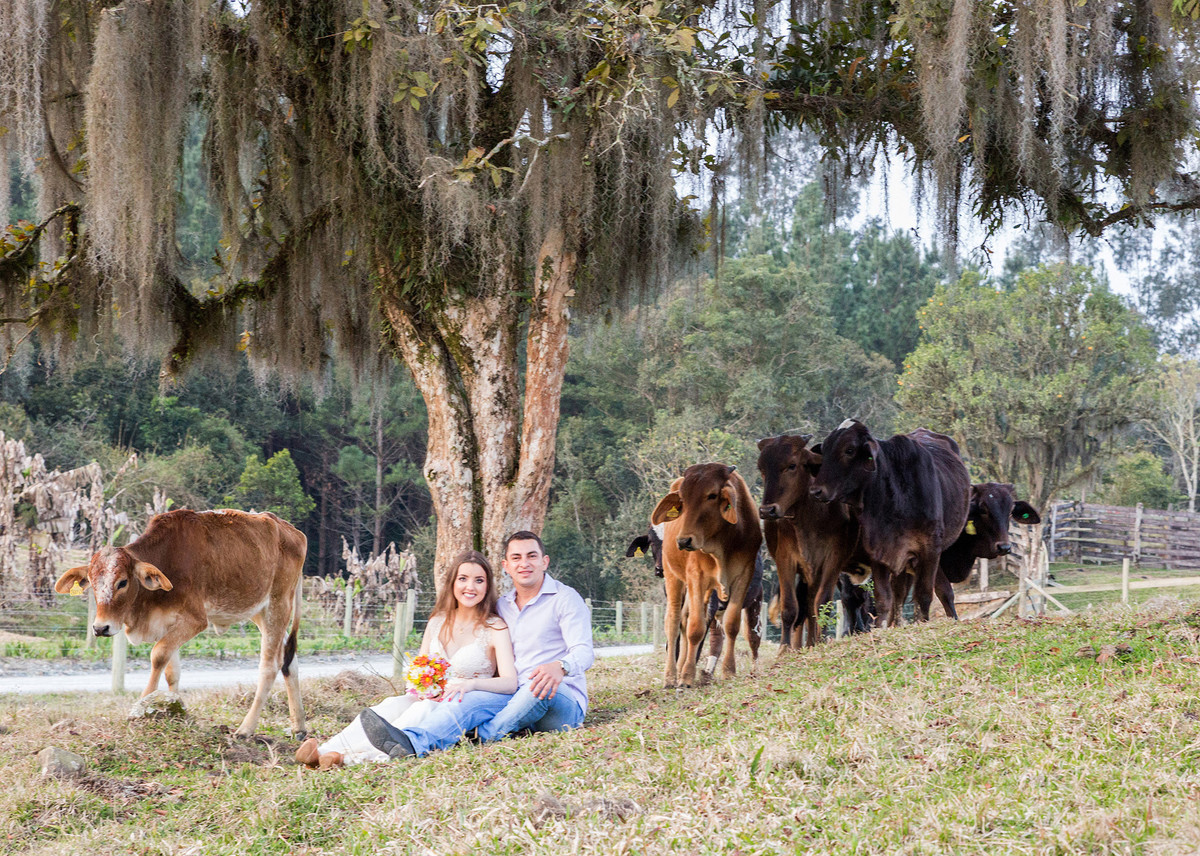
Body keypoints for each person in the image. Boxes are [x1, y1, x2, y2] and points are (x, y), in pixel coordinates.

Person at [359, 531, 594, 759]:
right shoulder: (503, 606)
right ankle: (411, 742)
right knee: (464, 699)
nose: (525, 563)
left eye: (532, 556)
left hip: (559, 699)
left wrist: (560, 666)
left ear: (544, 561)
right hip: (512, 695)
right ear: (506, 565)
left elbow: (584, 652)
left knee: (538, 685)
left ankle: (480, 735)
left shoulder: (565, 598)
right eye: (516, 557)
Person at [295, 550, 517, 768]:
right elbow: (419, 667)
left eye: (479, 580)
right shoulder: (437, 622)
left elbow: (510, 682)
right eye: (463, 579)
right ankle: (323, 751)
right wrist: (422, 688)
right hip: (430, 697)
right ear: (452, 583)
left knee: (421, 712)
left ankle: (346, 757)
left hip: (460, 704)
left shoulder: (495, 627)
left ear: (487, 586)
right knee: (392, 704)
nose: (470, 587)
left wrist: (470, 685)